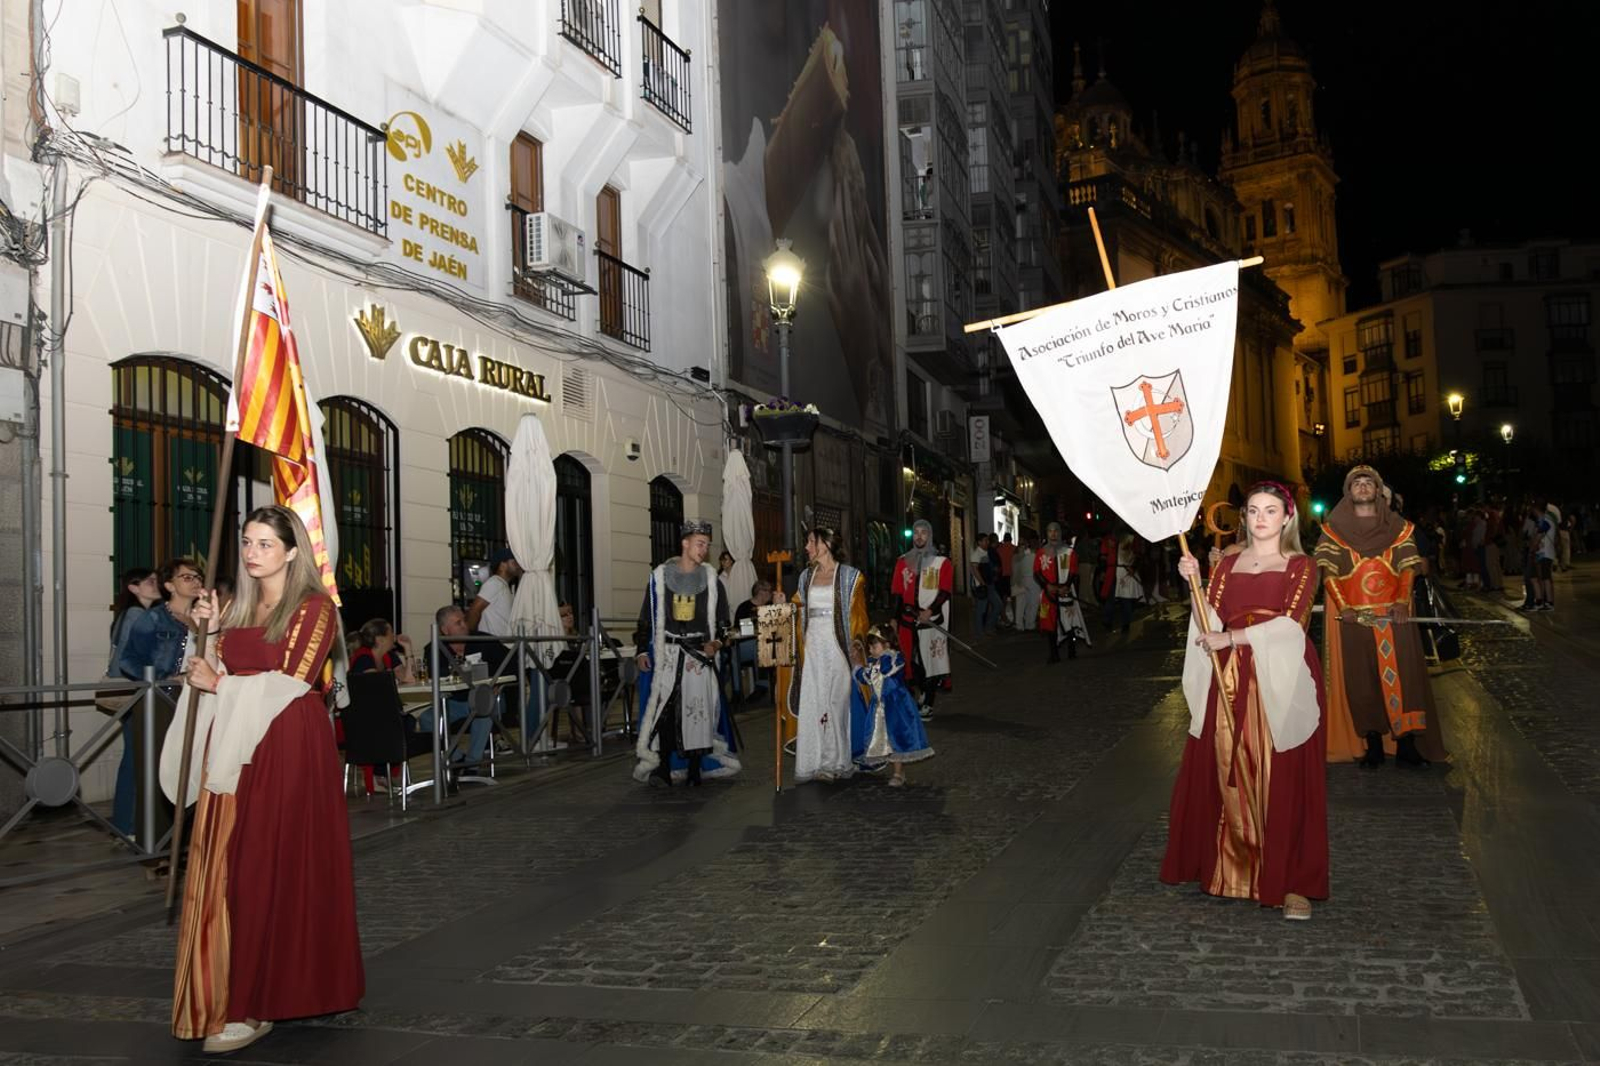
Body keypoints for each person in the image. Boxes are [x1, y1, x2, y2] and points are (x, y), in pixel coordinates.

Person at [166, 505, 362, 1053]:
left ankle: (258, 1001)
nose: (252, 553)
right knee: (233, 868)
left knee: (270, 866)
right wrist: (207, 631)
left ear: (292, 551)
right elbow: (214, 666)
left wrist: (218, 684)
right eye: (247, 542)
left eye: (265, 544)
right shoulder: (235, 606)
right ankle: (234, 992)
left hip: (287, 745)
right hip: (235, 742)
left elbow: (293, 681)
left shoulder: (315, 608)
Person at [1161, 481, 1328, 921]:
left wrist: (1233, 637)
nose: (1260, 518)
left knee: (1281, 771)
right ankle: (1233, 869)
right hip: (1229, 676)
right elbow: (1209, 619)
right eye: (1253, 510)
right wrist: (1194, 585)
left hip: (1280, 674)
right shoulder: (1228, 564)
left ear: (1287, 517)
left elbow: (1293, 624)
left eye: (1270, 510)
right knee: (1226, 766)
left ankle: (1291, 880)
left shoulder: (1302, 565)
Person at [1314, 466, 1448, 769]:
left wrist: (1402, 602)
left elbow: (1407, 567)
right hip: (1355, 619)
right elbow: (1328, 572)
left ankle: (1406, 746)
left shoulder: (1400, 528)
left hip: (1394, 616)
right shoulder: (1333, 531)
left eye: (1369, 482)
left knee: (1405, 676)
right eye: (1356, 483)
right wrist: (1343, 607)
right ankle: (1373, 743)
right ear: (1348, 492)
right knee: (1362, 679)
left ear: (1378, 491)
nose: (1363, 486)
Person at [633, 520, 742, 786]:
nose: (704, 550)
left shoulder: (712, 581)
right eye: (699, 544)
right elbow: (646, 617)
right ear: (685, 543)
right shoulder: (659, 578)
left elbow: (725, 627)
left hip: (698, 656)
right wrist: (641, 650)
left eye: (707, 545)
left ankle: (694, 769)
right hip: (668, 654)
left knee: (696, 712)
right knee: (666, 711)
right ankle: (663, 768)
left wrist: (716, 645)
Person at [780, 527, 870, 783]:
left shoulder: (851, 577)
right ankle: (812, 760)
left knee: (835, 703)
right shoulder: (805, 577)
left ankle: (834, 761)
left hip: (837, 646)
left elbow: (860, 616)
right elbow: (797, 609)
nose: (807, 547)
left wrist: (857, 644)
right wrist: (783, 603)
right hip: (812, 647)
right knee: (814, 702)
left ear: (826, 544)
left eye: (811, 542)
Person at [105, 567, 163, 836]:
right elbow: (136, 659)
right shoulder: (137, 615)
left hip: (133, 690)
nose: (156, 584)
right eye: (149, 581)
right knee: (135, 758)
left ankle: (126, 822)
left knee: (133, 756)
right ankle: (127, 825)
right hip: (136, 691)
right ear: (133, 588)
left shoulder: (128, 614)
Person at [850, 627, 934, 786]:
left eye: (874, 646)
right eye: (869, 647)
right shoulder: (875, 662)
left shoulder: (894, 659)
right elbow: (867, 677)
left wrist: (865, 665)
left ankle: (898, 772)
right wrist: (859, 666)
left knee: (896, 738)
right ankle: (893, 769)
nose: (870, 650)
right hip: (879, 707)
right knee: (885, 738)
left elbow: (882, 672)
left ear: (887, 645)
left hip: (896, 707)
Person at [891, 519, 952, 720]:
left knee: (930, 661)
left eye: (923, 532)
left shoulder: (941, 563)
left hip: (930, 620)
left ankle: (928, 702)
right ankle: (922, 689)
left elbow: (944, 591)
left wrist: (930, 610)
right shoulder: (902, 561)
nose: (919, 536)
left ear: (930, 535)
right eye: (915, 532)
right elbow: (897, 592)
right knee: (906, 660)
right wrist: (894, 617)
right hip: (907, 619)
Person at [1035, 523, 1090, 662]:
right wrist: (1047, 585)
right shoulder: (1041, 552)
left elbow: (1073, 571)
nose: (1053, 534)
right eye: (1050, 531)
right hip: (1048, 594)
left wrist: (1066, 586)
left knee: (1069, 621)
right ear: (1047, 533)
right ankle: (1054, 654)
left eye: (1055, 531)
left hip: (1065, 591)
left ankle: (1072, 649)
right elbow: (1037, 572)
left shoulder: (1069, 552)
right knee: (1049, 624)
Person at [732, 579, 774, 700]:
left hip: (768, 643)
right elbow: (745, 631)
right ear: (761, 592)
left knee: (765, 645)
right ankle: (740, 692)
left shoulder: (770, 607)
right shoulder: (744, 608)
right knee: (759, 645)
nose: (771, 594)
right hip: (745, 645)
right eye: (769, 591)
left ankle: (766, 687)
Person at [465, 547, 520, 637]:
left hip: (502, 643)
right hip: (494, 643)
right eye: (514, 562)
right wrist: (471, 638)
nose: (518, 566)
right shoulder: (494, 583)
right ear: (502, 565)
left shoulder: (503, 585)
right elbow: (475, 610)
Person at [347, 618, 415, 682]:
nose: (394, 636)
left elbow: (409, 678)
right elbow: (377, 684)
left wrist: (408, 647)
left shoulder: (390, 656)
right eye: (391, 632)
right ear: (380, 640)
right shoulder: (364, 659)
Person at [969, 533, 999, 638]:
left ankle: (988, 627)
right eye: (985, 540)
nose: (988, 542)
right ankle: (980, 632)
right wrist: (982, 583)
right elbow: (974, 570)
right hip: (982, 586)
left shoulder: (986, 552)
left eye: (988, 540)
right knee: (981, 609)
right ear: (979, 542)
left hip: (989, 584)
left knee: (998, 605)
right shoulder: (976, 554)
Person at [1012, 534, 1039, 639]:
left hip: (1021, 580)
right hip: (1032, 580)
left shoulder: (1017, 555)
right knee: (1032, 603)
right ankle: (1029, 624)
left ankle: (1020, 625)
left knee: (1021, 603)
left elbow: (1014, 570)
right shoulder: (1033, 554)